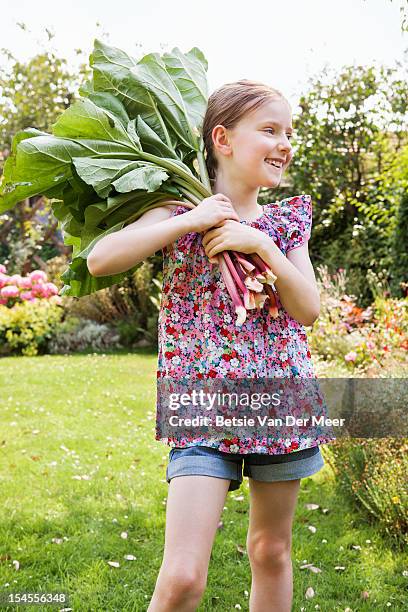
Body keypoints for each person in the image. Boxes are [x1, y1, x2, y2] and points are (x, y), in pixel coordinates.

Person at [87, 79, 336, 612]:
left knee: (270, 550)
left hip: (279, 404)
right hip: (202, 407)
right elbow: (100, 260)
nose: (285, 142)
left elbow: (308, 309)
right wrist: (196, 218)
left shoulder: (285, 222)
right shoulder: (177, 209)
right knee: (181, 578)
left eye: (288, 131)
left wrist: (261, 244)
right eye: (269, 130)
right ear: (222, 138)